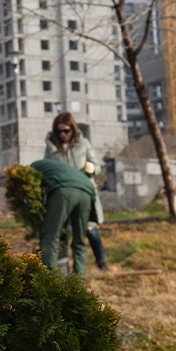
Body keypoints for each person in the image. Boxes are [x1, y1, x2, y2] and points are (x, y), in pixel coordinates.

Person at [45, 113, 107, 270]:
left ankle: (101, 263)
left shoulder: (83, 143)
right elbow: (47, 171)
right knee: (62, 232)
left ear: (73, 129)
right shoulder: (51, 148)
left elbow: (97, 166)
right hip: (62, 195)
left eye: (66, 131)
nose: (63, 135)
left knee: (89, 229)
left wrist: (91, 169)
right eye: (59, 132)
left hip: (83, 192)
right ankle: (63, 268)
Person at [30, 156, 97, 275]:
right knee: (79, 239)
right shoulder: (65, 170)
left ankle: (52, 281)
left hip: (64, 191)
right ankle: (79, 283)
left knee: (50, 237)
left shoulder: (33, 168)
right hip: (87, 191)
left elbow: (35, 197)